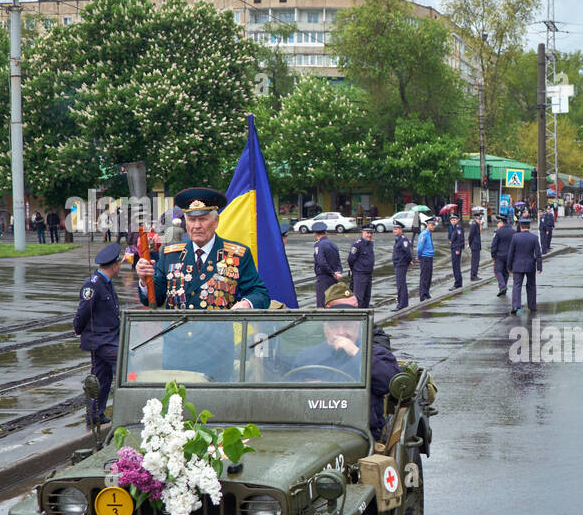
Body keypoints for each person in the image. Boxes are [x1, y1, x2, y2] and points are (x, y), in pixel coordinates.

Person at [135, 188, 269, 310]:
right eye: (192, 220)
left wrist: (246, 303)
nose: (197, 226)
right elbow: (154, 301)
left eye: (203, 219)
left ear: (216, 221)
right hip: (176, 334)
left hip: (218, 334)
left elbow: (259, 293)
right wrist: (144, 280)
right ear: (185, 222)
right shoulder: (170, 254)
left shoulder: (237, 255)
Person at [300, 283, 402, 443]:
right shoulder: (308, 356)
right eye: (334, 326)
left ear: (358, 327)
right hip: (311, 431)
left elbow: (391, 382)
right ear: (325, 328)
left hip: (362, 435)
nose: (341, 332)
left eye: (347, 325)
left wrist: (355, 353)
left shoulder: (372, 352)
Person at [74, 243, 123, 424]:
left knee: (102, 377)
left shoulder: (105, 283)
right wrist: (77, 329)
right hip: (100, 340)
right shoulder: (93, 284)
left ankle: (94, 415)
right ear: (114, 266)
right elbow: (83, 310)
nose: (120, 267)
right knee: (125, 362)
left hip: (107, 337)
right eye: (119, 264)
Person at [507, 214, 542, 314]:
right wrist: (539, 267)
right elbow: (538, 254)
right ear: (529, 227)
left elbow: (510, 253)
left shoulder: (515, 237)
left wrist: (509, 266)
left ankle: (516, 306)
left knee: (517, 285)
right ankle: (532, 305)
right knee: (531, 286)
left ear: (520, 226)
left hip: (517, 265)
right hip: (530, 265)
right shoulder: (534, 238)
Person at [312, 225, 343, 308]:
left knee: (322, 303)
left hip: (323, 278)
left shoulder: (318, 245)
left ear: (315, 233)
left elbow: (321, 263)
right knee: (332, 301)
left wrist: (332, 273)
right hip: (334, 278)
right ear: (325, 232)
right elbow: (338, 261)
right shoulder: (333, 244)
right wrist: (338, 273)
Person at [346, 226, 375, 307]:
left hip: (368, 274)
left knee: (367, 297)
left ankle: (365, 315)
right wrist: (356, 270)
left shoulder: (370, 244)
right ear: (363, 232)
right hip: (360, 274)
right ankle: (357, 316)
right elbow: (350, 259)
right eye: (367, 233)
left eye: (371, 233)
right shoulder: (357, 244)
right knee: (359, 297)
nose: (369, 235)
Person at [489, 214, 513, 296]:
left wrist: (493, 254)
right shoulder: (513, 231)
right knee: (506, 272)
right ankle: (503, 288)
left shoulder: (498, 231)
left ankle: (502, 286)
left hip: (499, 255)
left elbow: (494, 244)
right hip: (509, 255)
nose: (497, 225)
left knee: (498, 271)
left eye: (498, 223)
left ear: (502, 223)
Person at [391, 219, 413, 310]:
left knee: (401, 284)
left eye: (396, 229)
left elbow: (407, 252)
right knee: (400, 284)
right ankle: (403, 302)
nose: (394, 231)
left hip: (401, 264)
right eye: (394, 229)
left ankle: (402, 304)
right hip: (398, 264)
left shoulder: (403, 239)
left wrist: (409, 261)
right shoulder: (398, 239)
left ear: (401, 230)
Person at [416, 215, 436, 301]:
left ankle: (427, 292)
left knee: (429, 276)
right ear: (428, 225)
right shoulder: (424, 234)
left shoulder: (429, 234)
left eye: (434, 225)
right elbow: (420, 246)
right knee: (424, 276)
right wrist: (418, 255)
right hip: (424, 257)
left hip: (429, 256)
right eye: (432, 225)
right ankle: (422, 294)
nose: (433, 227)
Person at [448, 217, 464, 289]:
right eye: (451, 220)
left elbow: (460, 239)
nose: (453, 221)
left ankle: (457, 283)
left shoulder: (458, 228)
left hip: (456, 249)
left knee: (456, 266)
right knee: (455, 266)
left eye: (454, 220)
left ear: (457, 220)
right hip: (454, 248)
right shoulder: (454, 227)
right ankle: (458, 282)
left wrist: (458, 249)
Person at [467, 212, 482, 280]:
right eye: (479, 219)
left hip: (476, 245)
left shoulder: (477, 225)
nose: (480, 220)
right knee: (475, 261)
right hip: (475, 245)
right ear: (475, 219)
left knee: (476, 261)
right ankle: (473, 276)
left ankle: (474, 275)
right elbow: (471, 235)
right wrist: (469, 244)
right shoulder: (474, 225)